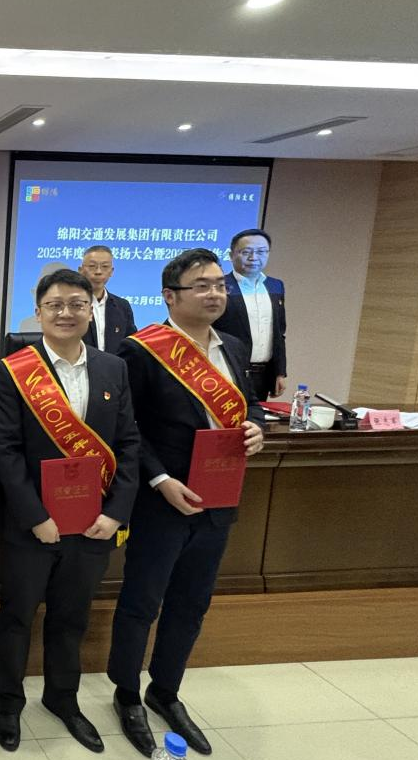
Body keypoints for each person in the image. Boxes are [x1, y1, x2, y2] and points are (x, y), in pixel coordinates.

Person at [107, 248, 265, 758]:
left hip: (219, 499)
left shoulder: (234, 347)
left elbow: (249, 404)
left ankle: (165, 690)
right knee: (142, 603)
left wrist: (256, 426)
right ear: (170, 296)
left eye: (220, 284)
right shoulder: (141, 351)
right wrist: (159, 479)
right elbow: (126, 428)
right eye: (202, 285)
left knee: (192, 603)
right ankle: (127, 693)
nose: (215, 293)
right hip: (163, 501)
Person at [0, 269, 141, 754]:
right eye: (55, 305)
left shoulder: (113, 368)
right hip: (32, 527)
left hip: (92, 526)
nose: (66, 313)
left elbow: (129, 445)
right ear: (38, 312)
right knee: (17, 617)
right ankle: (9, 702)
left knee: (71, 619)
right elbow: (5, 451)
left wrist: (116, 513)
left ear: (91, 310)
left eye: (77, 304)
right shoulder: (13, 370)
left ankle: (62, 699)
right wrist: (36, 517)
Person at [212, 229, 287, 399]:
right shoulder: (219, 286)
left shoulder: (275, 286)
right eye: (246, 252)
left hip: (262, 375)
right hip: (226, 372)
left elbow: (279, 333)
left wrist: (279, 372)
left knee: (257, 416)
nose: (254, 257)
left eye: (261, 252)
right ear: (231, 255)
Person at [79, 245, 138, 354]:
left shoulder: (122, 306)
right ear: (81, 270)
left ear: (111, 271)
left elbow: (131, 345)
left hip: (115, 364)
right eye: (92, 266)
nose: (98, 271)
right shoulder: (72, 305)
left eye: (105, 266)